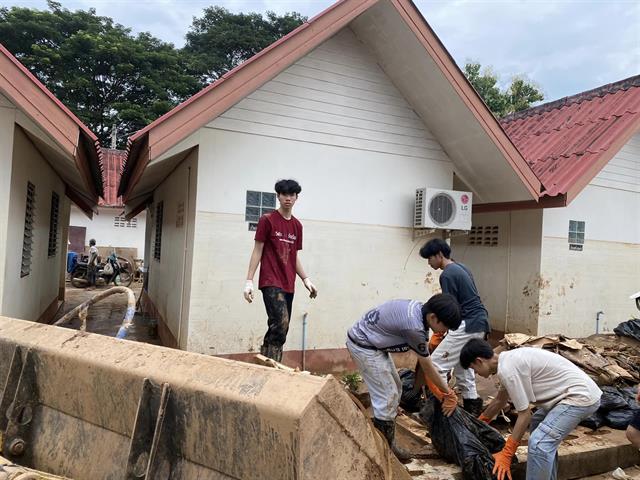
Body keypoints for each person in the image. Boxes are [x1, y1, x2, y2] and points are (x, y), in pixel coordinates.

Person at [460, 339, 602, 480]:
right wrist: (478, 425)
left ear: (479, 361)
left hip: (579, 397)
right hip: (572, 395)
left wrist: (507, 453)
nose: (477, 374)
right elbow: (499, 400)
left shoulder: (508, 370)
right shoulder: (507, 361)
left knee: (539, 443)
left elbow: (524, 414)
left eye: (474, 369)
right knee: (538, 423)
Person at [346, 293, 462, 461]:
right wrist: (448, 393)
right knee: (387, 396)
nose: (445, 331)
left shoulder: (418, 310)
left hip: (372, 343)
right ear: (433, 317)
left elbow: (424, 362)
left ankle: (387, 426)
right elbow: (427, 366)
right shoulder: (414, 328)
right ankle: (385, 449)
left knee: (396, 388)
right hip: (364, 346)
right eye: (445, 326)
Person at [243, 179, 318, 362]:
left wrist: (306, 279)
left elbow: (293, 256)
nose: (288, 198)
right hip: (270, 281)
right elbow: (257, 250)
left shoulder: (297, 226)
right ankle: (271, 365)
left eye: (291, 195)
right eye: (284, 194)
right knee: (281, 322)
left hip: (288, 283)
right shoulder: (267, 220)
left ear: (296, 198)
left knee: (281, 328)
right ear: (278, 196)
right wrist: (249, 281)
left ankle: (267, 362)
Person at [419, 238, 490, 416]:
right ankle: (472, 411)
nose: (429, 263)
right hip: (479, 322)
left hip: (466, 323)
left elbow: (449, 307)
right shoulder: (462, 267)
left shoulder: (447, 275)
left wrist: (439, 334)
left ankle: (438, 411)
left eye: (430, 258)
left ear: (439, 255)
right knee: (462, 366)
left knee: (435, 366)